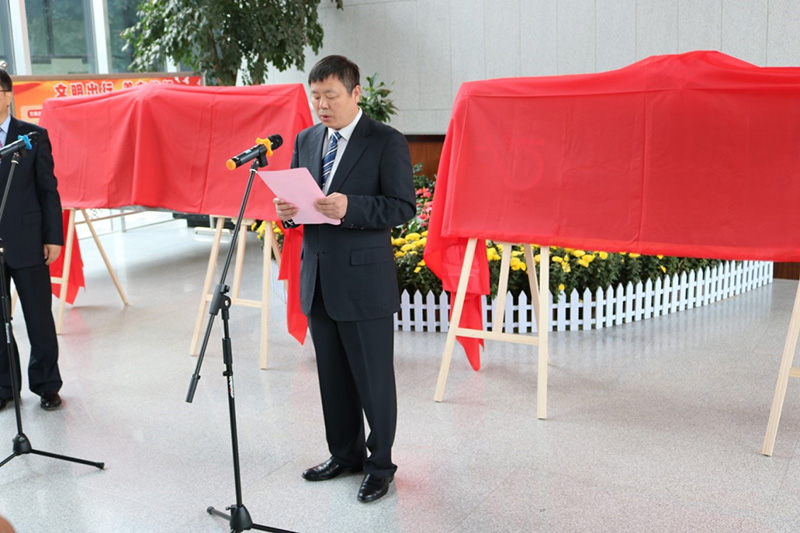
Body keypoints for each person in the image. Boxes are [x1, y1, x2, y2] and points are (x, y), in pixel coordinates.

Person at [274, 55, 415, 503]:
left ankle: (380, 465)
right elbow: (300, 206)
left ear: (356, 93)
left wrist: (351, 207)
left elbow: (403, 207)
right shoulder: (306, 139)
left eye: (331, 96)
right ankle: (344, 454)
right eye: (315, 96)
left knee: (374, 381)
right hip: (317, 279)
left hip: (364, 283)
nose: (322, 105)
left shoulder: (386, 141)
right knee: (332, 380)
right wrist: (287, 213)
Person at [0, 68, 63, 411]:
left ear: (8, 95)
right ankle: (4, 386)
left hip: (28, 240)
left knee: (38, 318)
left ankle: (47, 384)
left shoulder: (33, 136)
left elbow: (48, 190)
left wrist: (53, 237)